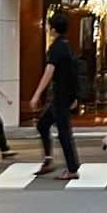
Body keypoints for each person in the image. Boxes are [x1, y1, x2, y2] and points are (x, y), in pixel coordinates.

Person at [30, 12, 81, 181]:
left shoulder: (56, 48)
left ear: (52, 29)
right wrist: (75, 96)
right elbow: (73, 74)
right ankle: (48, 160)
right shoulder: (67, 46)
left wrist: (37, 94)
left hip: (60, 96)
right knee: (43, 125)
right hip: (64, 96)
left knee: (64, 132)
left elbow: (49, 72)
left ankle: (72, 169)